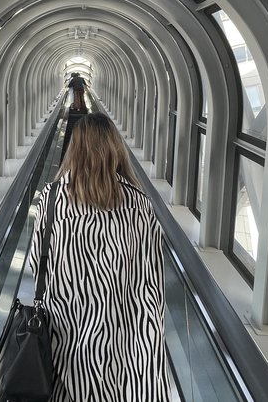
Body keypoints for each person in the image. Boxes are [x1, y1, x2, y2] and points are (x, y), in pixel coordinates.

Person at [29, 113, 168, 401]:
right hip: (122, 351)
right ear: (115, 148)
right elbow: (151, 285)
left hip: (62, 346)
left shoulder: (51, 199)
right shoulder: (140, 204)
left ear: (73, 150)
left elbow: (35, 264)